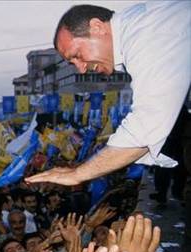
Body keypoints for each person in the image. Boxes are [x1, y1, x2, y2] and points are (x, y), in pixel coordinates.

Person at [26, 2, 191, 186]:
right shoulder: (138, 28)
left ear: (97, 27)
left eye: (77, 55)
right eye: (72, 63)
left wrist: (77, 175)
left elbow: (145, 128)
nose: (81, 70)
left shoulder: (147, 35)